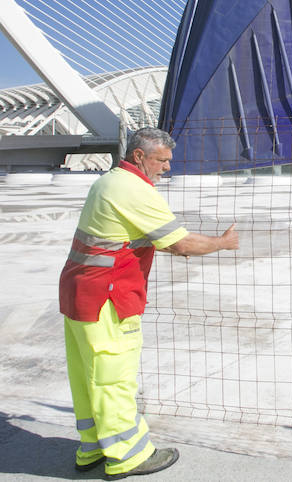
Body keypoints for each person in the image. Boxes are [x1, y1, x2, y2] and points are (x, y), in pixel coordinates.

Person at [59, 127, 239, 480]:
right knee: (114, 378)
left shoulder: (110, 181)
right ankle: (127, 456)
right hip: (106, 298)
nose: (167, 167)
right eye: (162, 160)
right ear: (139, 156)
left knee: (87, 377)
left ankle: (92, 447)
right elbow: (180, 243)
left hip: (80, 293)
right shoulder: (132, 188)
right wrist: (222, 242)